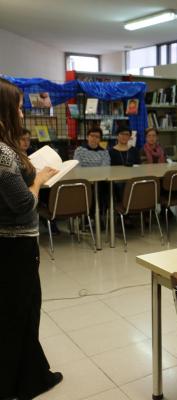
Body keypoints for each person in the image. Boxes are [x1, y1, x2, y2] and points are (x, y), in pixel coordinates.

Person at [0, 78, 63, 399]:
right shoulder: (2, 153)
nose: (23, 115)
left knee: (14, 310)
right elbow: (24, 203)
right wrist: (38, 178)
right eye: (20, 108)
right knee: (23, 310)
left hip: (8, 241)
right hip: (14, 243)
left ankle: (27, 374)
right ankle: (24, 381)